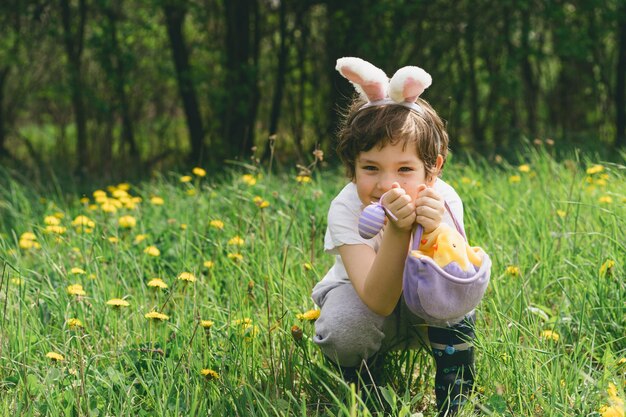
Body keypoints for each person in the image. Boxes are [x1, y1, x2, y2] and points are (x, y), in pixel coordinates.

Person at [312, 57, 476, 416]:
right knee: (344, 328)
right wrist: (399, 231)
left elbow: (461, 271)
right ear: (351, 167)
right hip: (369, 305)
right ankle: (362, 384)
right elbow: (378, 300)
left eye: (405, 169)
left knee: (455, 286)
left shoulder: (442, 198)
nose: (387, 184)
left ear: (433, 170)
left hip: (425, 306)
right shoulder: (345, 208)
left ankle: (455, 389)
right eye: (370, 168)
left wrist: (436, 229)